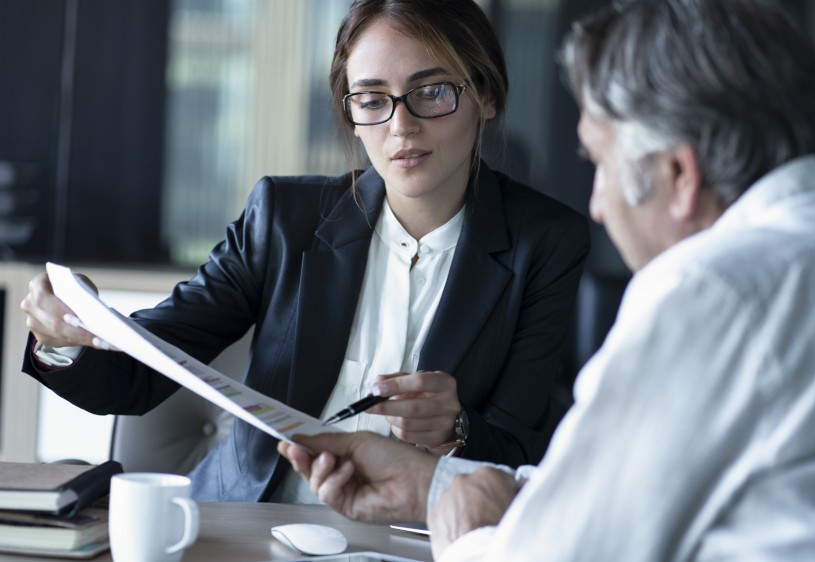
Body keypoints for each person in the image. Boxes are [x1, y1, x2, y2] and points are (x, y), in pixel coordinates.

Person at [277, 0, 815, 559]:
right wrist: (430, 485)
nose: (596, 205)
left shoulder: (712, 291)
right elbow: (622, 487)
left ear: (679, 174)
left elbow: (568, 552)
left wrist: (462, 533)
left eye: (599, 163)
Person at [20, 0, 589, 503]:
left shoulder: (546, 242)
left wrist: (456, 427)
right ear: (351, 113)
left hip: (417, 540)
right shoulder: (283, 218)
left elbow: (523, 453)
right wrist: (62, 336)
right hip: (250, 527)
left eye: (432, 92)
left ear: (486, 96)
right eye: (371, 99)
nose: (402, 126)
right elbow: (138, 375)